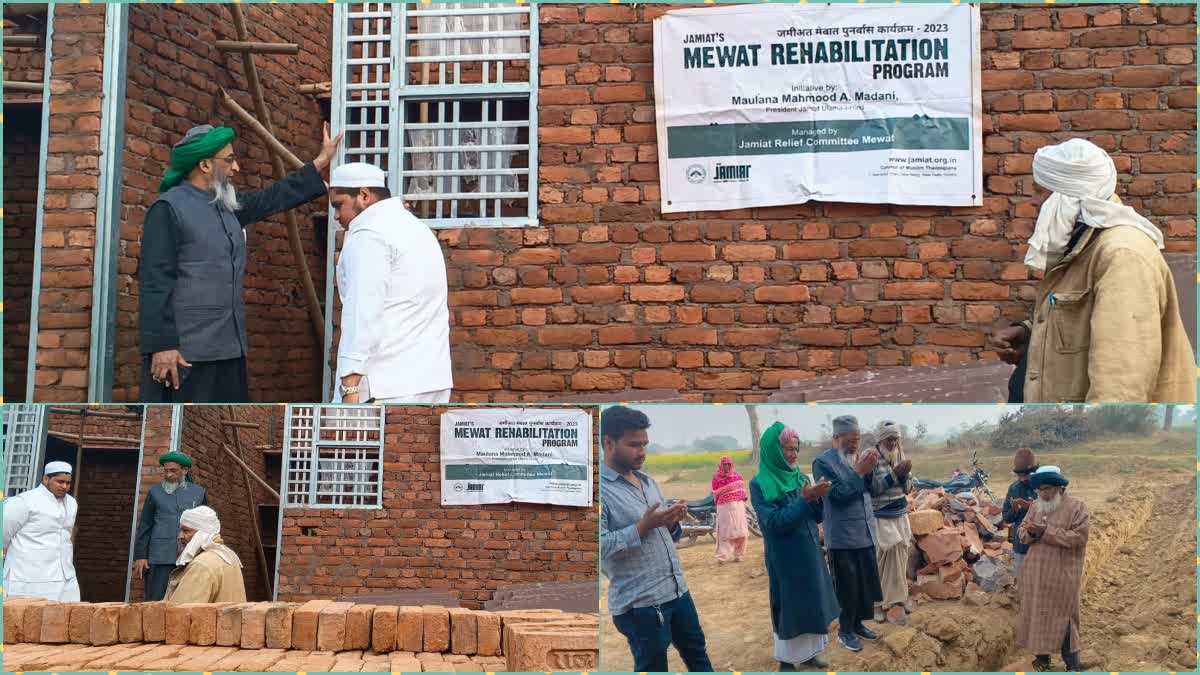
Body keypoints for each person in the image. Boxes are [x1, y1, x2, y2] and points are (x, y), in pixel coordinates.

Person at [138, 122, 343, 403]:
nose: (236, 168)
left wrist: (319, 162)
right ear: (205, 165)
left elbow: (271, 198)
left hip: (229, 349)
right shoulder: (169, 208)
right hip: (186, 354)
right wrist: (162, 346)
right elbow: (155, 282)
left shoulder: (226, 206)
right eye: (230, 159)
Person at [990, 138, 1195, 403]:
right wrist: (1029, 334)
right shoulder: (1082, 243)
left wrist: (1094, 436)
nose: (1032, 201)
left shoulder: (1121, 255)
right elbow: (1082, 315)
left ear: (1066, 195)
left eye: (1040, 191)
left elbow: (1120, 383)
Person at [328, 162, 453, 404]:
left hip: (384, 386)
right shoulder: (418, 228)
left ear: (363, 195)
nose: (336, 216)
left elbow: (362, 312)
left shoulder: (368, 234)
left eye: (338, 205)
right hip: (432, 381)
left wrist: (349, 389)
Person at [600, 406, 713, 672]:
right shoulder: (597, 490)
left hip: (677, 591)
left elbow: (662, 535)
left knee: (699, 658)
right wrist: (642, 527)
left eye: (645, 444)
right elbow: (598, 546)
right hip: (641, 606)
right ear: (608, 441)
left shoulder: (648, 481)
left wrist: (671, 523)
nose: (642, 451)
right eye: (633, 444)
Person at [750, 422, 838, 672]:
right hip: (786, 558)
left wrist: (818, 499)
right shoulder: (760, 484)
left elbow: (816, 517)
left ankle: (810, 654)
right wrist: (805, 499)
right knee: (790, 608)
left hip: (809, 552)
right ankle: (787, 661)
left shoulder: (799, 477)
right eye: (788, 449)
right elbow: (774, 523)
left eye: (796, 449)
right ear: (774, 450)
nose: (793, 455)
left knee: (812, 603)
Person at [811, 415, 882, 652]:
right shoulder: (822, 463)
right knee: (847, 586)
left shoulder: (858, 459)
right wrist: (860, 471)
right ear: (836, 438)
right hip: (842, 537)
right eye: (850, 441)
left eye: (857, 440)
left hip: (865, 532)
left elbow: (872, 489)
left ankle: (859, 624)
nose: (854, 445)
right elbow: (837, 496)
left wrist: (869, 470)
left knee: (864, 584)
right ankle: (845, 631)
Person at [1016, 465, 1089, 672]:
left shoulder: (1077, 507)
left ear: (1059, 487)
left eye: (1046, 489)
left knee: (1064, 619)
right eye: (1039, 489)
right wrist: (1030, 532)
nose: (1041, 493)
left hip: (1061, 576)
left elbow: (1079, 538)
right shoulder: (1036, 506)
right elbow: (1022, 533)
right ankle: (1042, 662)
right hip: (1036, 575)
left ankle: (1072, 665)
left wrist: (1046, 531)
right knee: (1038, 616)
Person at [133, 451, 208, 601]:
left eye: (173, 471)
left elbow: (205, 526)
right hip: (159, 557)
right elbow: (145, 525)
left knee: (186, 601)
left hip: (189, 557)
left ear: (184, 470)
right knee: (155, 601)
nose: (168, 475)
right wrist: (141, 556)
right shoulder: (155, 492)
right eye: (166, 471)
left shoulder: (198, 493)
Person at [2, 462, 80, 602]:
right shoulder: (24, 502)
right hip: (28, 578)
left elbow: (67, 535)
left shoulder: (72, 503)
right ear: (46, 479)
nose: (64, 487)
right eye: (60, 482)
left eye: (68, 483)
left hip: (66, 577)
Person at [866, 421, 914, 623]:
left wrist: (903, 477)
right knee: (881, 562)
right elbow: (873, 489)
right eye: (889, 439)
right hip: (881, 518)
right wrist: (895, 474)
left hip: (901, 515)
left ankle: (899, 599)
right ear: (880, 439)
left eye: (896, 438)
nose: (893, 442)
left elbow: (908, 489)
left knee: (901, 558)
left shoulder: (901, 456)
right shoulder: (871, 457)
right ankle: (877, 604)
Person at [164, 506, 247, 603]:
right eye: (180, 531)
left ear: (202, 533)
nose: (180, 536)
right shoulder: (229, 555)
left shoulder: (200, 565)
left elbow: (181, 613)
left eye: (186, 530)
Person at [1002, 447, 1039, 579]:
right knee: (1023, 582)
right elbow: (1006, 518)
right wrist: (1015, 510)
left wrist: (1030, 506)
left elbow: (1054, 513)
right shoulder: (1013, 488)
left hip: (1042, 545)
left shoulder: (1044, 486)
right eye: (1020, 475)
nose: (1023, 479)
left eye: (1027, 475)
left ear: (1035, 472)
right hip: (1021, 545)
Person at [711, 455, 749, 563]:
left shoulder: (737, 476)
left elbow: (742, 491)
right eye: (724, 464)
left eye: (728, 464)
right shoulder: (716, 478)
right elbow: (715, 493)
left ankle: (739, 555)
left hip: (738, 507)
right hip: (724, 507)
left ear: (731, 465)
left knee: (740, 531)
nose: (727, 466)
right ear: (721, 465)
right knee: (725, 532)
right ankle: (722, 557)